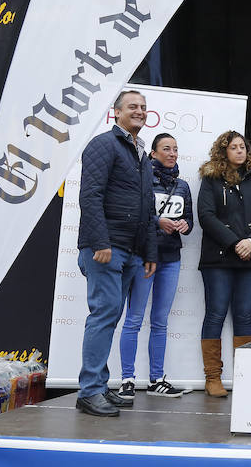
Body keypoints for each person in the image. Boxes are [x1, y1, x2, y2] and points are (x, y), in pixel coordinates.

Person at [76, 90, 157, 417]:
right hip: (106, 249)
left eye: (143, 108)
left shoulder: (141, 153)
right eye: (133, 107)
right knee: (104, 314)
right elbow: (90, 196)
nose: (139, 111)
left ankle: (98, 386)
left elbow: (148, 208)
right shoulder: (104, 145)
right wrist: (100, 242)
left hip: (131, 250)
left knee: (109, 316)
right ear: (116, 113)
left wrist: (149, 250)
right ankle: (90, 391)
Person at [197, 130, 251, 398]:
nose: (240, 151)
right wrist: (234, 242)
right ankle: (212, 377)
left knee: (244, 316)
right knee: (216, 314)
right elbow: (206, 216)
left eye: (243, 146)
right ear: (224, 152)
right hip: (218, 258)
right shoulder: (211, 179)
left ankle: (244, 377)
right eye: (234, 147)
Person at [118, 133, 193, 401]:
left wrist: (184, 225)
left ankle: (156, 379)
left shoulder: (183, 185)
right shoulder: (142, 180)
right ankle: (127, 379)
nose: (172, 153)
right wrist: (157, 222)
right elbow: (137, 215)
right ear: (153, 153)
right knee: (134, 319)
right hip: (143, 256)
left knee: (160, 321)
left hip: (171, 258)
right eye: (166, 148)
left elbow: (189, 221)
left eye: (175, 149)